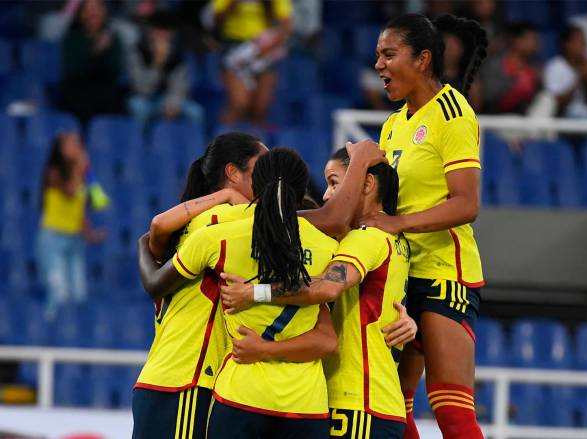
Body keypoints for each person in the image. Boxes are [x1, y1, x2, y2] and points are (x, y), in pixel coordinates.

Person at [219, 148, 417, 438]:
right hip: (379, 401)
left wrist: (254, 292)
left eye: (335, 182)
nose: (327, 195)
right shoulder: (396, 242)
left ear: (367, 183)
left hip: (356, 404)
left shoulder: (365, 238)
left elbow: (326, 286)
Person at [140, 148, 338, 438]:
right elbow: (327, 334)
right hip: (304, 402)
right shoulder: (329, 249)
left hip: (238, 393)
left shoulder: (216, 236)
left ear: (255, 186)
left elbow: (156, 277)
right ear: (301, 192)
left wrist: (143, 242)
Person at [366, 13, 488, 439]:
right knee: (393, 408)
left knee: (451, 411)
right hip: (401, 275)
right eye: (377, 55)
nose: (378, 64)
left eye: (387, 54)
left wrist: (399, 223)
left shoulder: (453, 112)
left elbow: (467, 204)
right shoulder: (393, 124)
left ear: (422, 59)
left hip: (443, 274)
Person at [132, 132, 265, 439]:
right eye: (263, 167)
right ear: (233, 172)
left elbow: (154, 230)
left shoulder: (187, 223)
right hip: (189, 381)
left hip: (162, 378)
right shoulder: (230, 220)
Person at [38, 132, 106, 321]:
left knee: (78, 294)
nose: (77, 147)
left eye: (78, 143)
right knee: (59, 293)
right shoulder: (53, 172)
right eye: (71, 144)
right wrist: (81, 166)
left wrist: (90, 233)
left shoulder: (81, 176)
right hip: (53, 238)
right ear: (60, 149)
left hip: (75, 240)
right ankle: (50, 336)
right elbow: (70, 192)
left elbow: (79, 210)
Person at [212, 0, 294, 124]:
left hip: (265, 49)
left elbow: (286, 26)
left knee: (260, 109)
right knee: (239, 105)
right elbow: (217, 20)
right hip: (236, 48)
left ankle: (253, 143)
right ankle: (219, 142)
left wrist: (265, 48)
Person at [128, 10, 204, 128]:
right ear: (150, 31)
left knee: (196, 112)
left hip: (167, 100)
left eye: (166, 31)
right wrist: (158, 63)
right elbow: (143, 90)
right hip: (146, 100)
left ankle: (194, 145)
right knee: (137, 106)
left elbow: (180, 88)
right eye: (158, 30)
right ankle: (140, 144)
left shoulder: (177, 56)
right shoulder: (138, 53)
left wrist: (172, 104)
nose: (161, 35)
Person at [59, 0, 125, 124]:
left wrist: (102, 54)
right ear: (81, 14)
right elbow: (74, 70)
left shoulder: (113, 38)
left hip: (105, 90)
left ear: (104, 13)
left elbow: (114, 70)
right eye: (89, 10)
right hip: (77, 90)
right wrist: (95, 52)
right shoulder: (72, 38)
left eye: (97, 9)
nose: (93, 14)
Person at [543, 26, 587, 118]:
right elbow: (555, 106)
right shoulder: (554, 67)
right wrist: (579, 80)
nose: (584, 46)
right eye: (579, 42)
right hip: (564, 118)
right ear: (566, 45)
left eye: (585, 42)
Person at [479, 22, 541, 114]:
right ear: (517, 40)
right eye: (530, 39)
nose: (534, 44)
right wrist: (515, 83)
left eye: (535, 40)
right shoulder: (495, 65)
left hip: (524, 118)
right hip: (497, 116)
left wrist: (537, 83)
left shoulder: (533, 69)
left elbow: (535, 102)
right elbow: (488, 95)